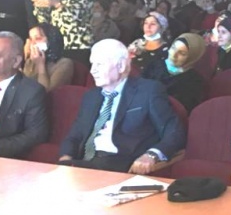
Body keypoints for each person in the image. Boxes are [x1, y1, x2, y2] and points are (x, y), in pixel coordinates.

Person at [59, 39, 185, 172]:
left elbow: (174, 132)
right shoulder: (91, 96)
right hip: (84, 162)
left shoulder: (148, 91)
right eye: (92, 64)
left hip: (120, 163)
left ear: (121, 66)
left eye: (99, 64)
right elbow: (75, 135)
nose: (92, 70)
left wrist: (151, 155)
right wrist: (65, 160)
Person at [30, 0, 94, 63]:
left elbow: (73, 17)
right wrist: (38, 4)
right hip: (57, 48)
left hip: (78, 48)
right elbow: (44, 21)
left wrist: (57, 5)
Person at [143, 32, 207, 113]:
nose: (173, 55)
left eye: (182, 53)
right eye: (173, 48)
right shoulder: (156, 65)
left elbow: (182, 112)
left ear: (192, 57)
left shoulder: (195, 82)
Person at [23, 23, 74, 92]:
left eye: (38, 38)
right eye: (31, 39)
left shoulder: (65, 63)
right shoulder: (30, 61)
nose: (33, 43)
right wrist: (24, 57)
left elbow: (46, 92)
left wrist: (40, 65)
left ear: (51, 40)